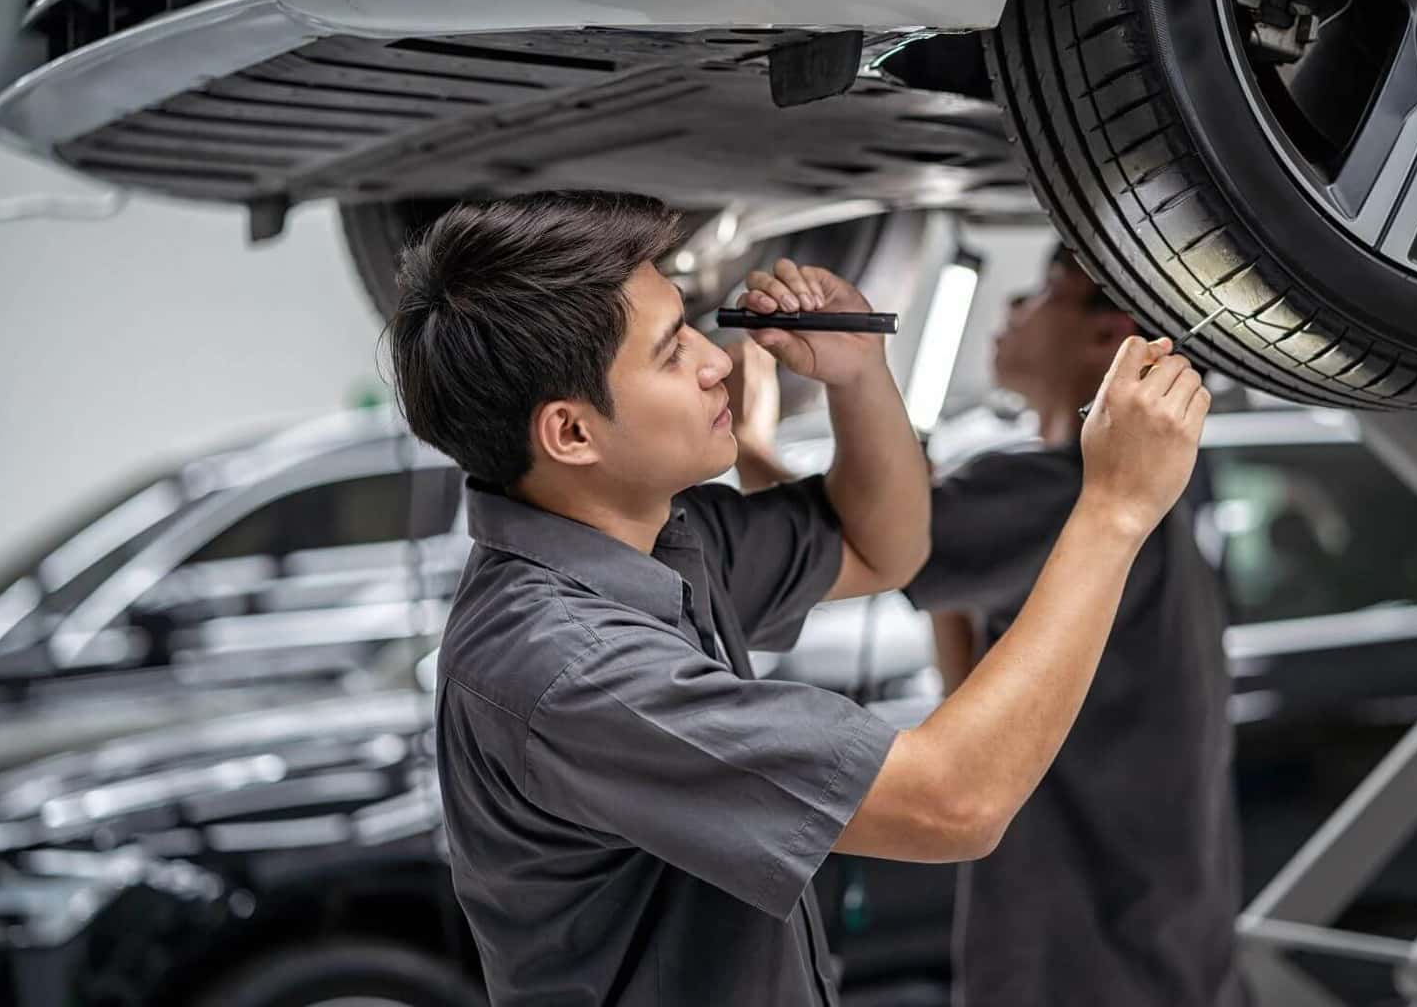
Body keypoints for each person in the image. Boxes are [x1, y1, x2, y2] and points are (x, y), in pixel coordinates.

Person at [385, 192, 1209, 1006]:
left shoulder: (662, 541)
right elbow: (954, 803)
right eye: (672, 352)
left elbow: (880, 546)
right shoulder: (572, 668)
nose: (716, 360)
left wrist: (858, 379)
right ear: (571, 434)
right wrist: (1115, 510)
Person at [910, 246, 1246, 1006]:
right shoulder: (1156, 503)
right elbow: (969, 687)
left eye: (1038, 295)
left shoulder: (1055, 492)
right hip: (1161, 952)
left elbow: (849, 544)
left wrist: (790, 405)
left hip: (1082, 962)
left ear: (1112, 336)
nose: (1009, 312)